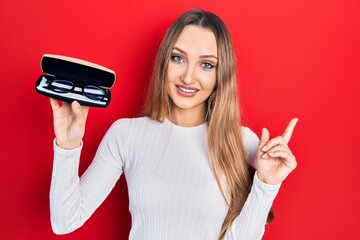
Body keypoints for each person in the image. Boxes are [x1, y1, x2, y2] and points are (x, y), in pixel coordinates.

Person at [49, 8, 298, 240]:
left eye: (206, 64)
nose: (188, 77)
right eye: (178, 58)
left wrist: (266, 184)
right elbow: (65, 222)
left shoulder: (242, 142)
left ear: (220, 76)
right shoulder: (126, 135)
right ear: (164, 63)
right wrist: (67, 146)